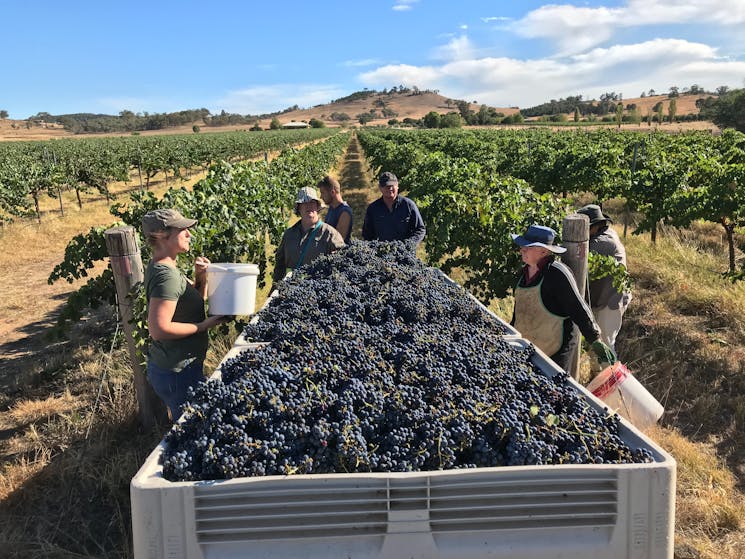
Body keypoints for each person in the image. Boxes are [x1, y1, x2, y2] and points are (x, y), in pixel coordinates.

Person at [142, 208, 227, 419]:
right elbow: (159, 329)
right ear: (163, 236)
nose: (189, 234)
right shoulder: (166, 276)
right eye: (183, 230)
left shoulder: (165, 266)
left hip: (176, 368)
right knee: (193, 427)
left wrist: (201, 277)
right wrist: (205, 325)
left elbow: (194, 298)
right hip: (177, 373)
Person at [510, 224, 617, 374]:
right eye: (522, 246)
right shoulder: (523, 274)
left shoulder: (557, 273)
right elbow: (520, 311)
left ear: (543, 251)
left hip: (554, 350)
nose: (522, 249)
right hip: (527, 346)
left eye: (528, 247)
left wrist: (595, 339)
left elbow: (577, 306)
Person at [577, 204, 632, 353]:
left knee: (605, 342)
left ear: (595, 226)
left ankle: (612, 375)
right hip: (602, 296)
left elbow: (578, 256)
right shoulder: (603, 234)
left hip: (611, 301)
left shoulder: (603, 242)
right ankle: (599, 373)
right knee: (595, 340)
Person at [273, 186, 345, 284]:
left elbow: (343, 264)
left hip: (317, 292)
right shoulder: (289, 235)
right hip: (289, 290)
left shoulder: (330, 235)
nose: (309, 206)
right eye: (304, 203)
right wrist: (275, 287)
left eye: (312, 202)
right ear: (299, 208)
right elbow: (280, 266)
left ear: (317, 207)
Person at [361, 171, 426, 247]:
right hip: (381, 254)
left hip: (404, 254)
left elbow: (420, 229)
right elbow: (367, 234)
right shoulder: (373, 209)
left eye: (392, 185)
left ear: (397, 185)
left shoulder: (408, 205)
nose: (390, 188)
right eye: (386, 186)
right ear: (380, 188)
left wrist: (409, 244)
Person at [317, 175, 353, 243]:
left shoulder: (345, 212)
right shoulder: (332, 209)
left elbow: (338, 241)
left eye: (323, 193)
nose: (321, 197)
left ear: (333, 192)